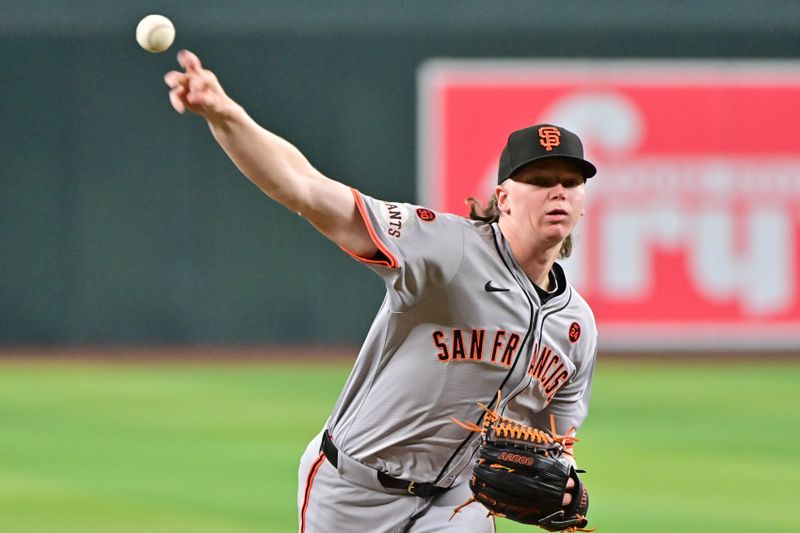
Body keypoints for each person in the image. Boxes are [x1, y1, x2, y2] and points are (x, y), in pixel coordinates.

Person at [165, 50, 598, 533]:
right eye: (538, 181)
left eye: (570, 182)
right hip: (354, 492)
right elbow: (306, 190)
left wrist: (561, 484)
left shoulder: (576, 326)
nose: (557, 191)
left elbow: (554, 442)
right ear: (503, 199)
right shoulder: (446, 247)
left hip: (455, 506)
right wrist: (228, 115)